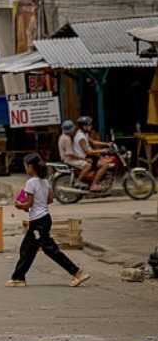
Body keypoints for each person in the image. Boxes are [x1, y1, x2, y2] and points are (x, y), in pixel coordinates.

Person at [7, 153, 91, 288]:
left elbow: (29, 203)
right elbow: (50, 199)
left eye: (25, 166)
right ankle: (18, 277)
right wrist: (38, 203)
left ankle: (75, 271)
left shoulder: (30, 182)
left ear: (30, 166)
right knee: (27, 248)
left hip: (38, 221)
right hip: (44, 218)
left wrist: (19, 205)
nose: (25, 169)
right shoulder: (45, 181)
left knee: (49, 249)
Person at [75, 116, 110, 192]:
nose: (91, 126)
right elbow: (87, 151)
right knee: (104, 165)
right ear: (84, 126)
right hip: (86, 157)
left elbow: (93, 142)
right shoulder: (81, 138)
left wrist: (106, 144)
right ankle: (93, 185)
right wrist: (102, 150)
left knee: (104, 160)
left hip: (89, 156)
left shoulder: (84, 133)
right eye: (89, 125)